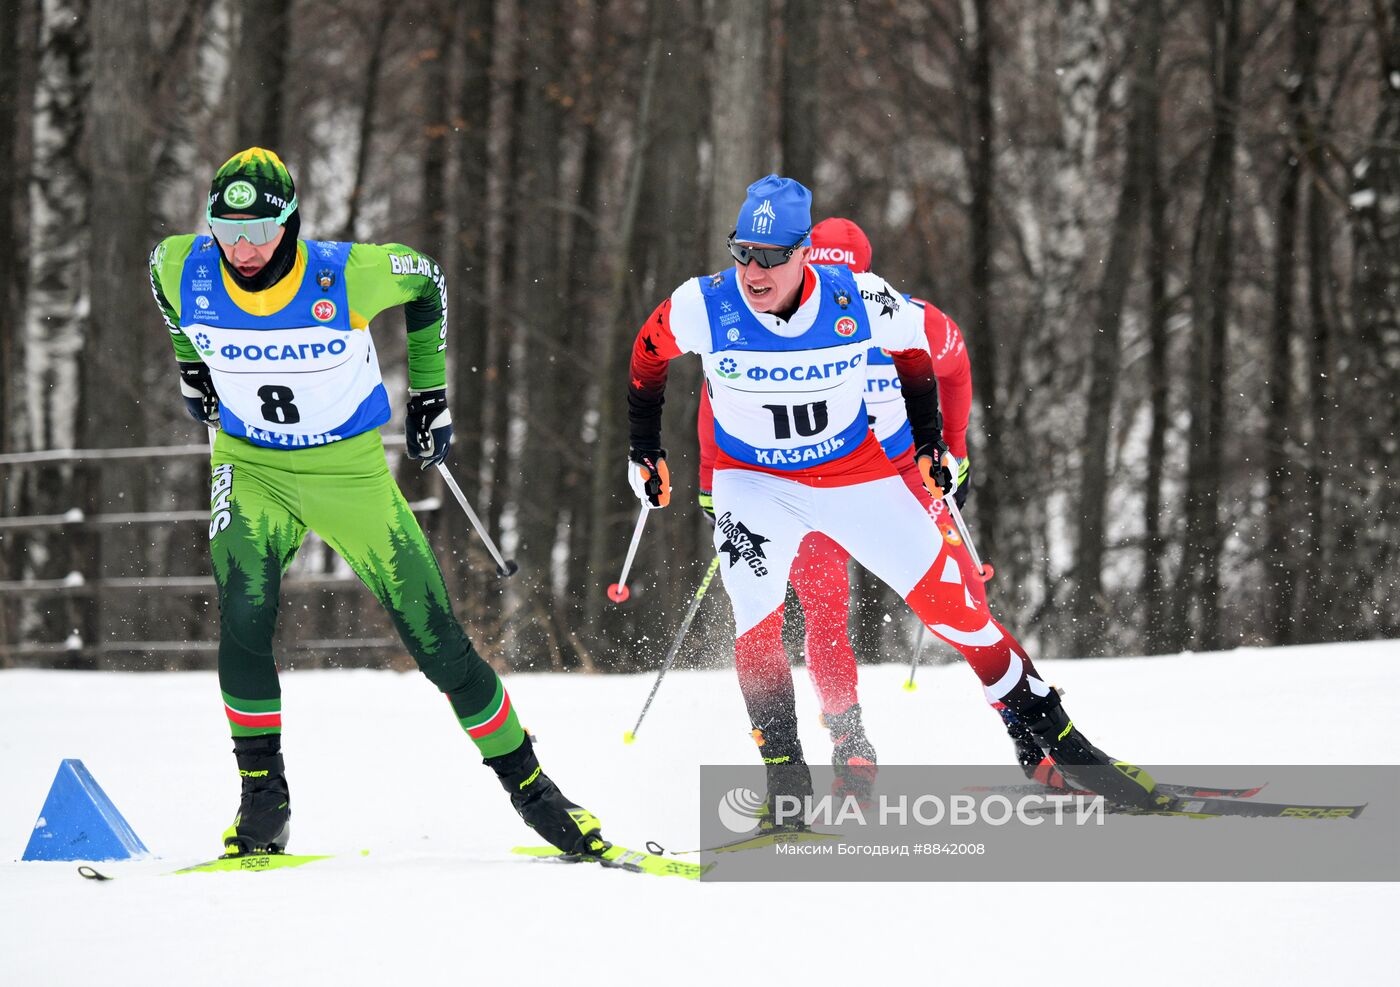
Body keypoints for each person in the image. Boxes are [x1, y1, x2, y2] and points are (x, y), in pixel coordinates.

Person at [626, 174, 1160, 818]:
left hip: (856, 475)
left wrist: (935, 443)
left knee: (958, 612)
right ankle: (787, 780)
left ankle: (1062, 744)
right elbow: (647, 358)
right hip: (756, 484)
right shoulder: (702, 304)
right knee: (756, 614)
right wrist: (645, 449)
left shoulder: (861, 298)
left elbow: (918, 352)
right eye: (743, 252)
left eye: (770, 257)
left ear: (802, 254)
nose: (754, 272)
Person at [148, 148, 605, 857]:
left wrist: (430, 395)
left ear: (290, 222)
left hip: (350, 472)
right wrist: (188, 364)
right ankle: (262, 799)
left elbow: (428, 284)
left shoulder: (344, 273)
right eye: (225, 230)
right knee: (243, 615)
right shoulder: (187, 266)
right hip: (251, 465)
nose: (240, 249)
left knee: (438, 643)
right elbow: (158, 273)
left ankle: (535, 789)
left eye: (258, 232)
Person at [694, 216, 1052, 790]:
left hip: (902, 476)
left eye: (847, 273)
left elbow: (955, 366)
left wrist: (953, 450)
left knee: (965, 598)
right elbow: (718, 404)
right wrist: (716, 481)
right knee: (824, 608)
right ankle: (847, 737)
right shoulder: (776, 324)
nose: (832, 286)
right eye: (822, 271)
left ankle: (1032, 735)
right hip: (811, 480)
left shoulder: (892, 314)